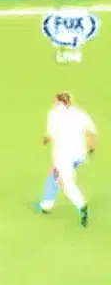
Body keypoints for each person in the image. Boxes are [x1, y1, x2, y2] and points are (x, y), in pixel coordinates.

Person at [37, 93, 97, 227]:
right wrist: (91, 149)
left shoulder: (53, 115)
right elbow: (90, 133)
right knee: (53, 174)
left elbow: (52, 134)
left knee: (68, 186)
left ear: (59, 103)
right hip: (80, 155)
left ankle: (82, 207)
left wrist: (46, 139)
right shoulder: (80, 114)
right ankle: (46, 204)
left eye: (55, 102)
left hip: (64, 157)